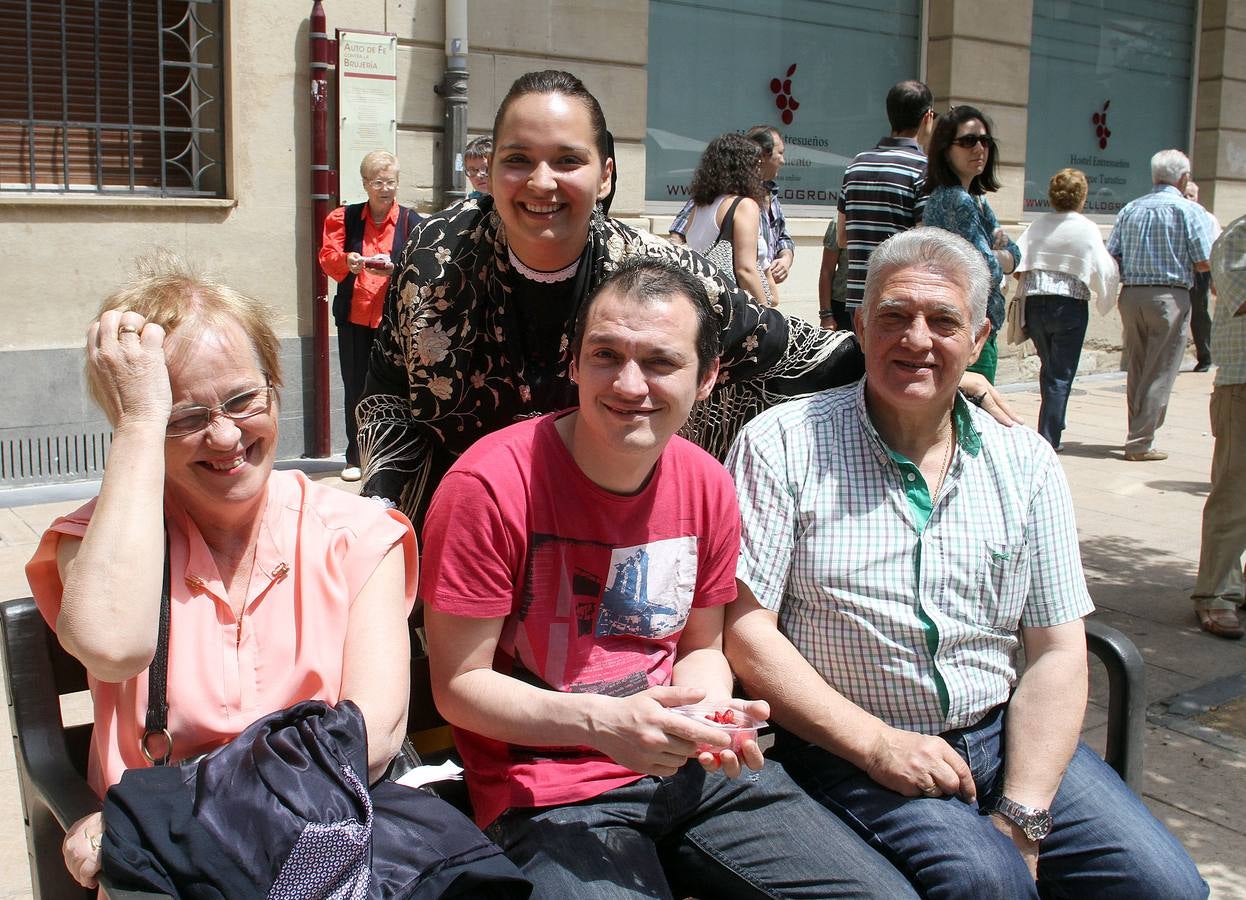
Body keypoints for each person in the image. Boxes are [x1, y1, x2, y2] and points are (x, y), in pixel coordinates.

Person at [724, 228, 1208, 900]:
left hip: (1000, 733)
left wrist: (1024, 812)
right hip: (849, 746)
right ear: (861, 327)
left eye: (942, 320)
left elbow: (1057, 652)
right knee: (988, 882)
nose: (916, 339)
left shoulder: (1024, 461)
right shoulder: (783, 446)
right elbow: (747, 631)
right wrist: (876, 745)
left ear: (979, 339)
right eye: (893, 317)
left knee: (1164, 886)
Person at [419, 256, 920, 899]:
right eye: (606, 355)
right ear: (572, 362)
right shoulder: (489, 486)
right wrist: (603, 725)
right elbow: (459, 686)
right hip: (551, 791)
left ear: (707, 376)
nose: (630, 384)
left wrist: (710, 716)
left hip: (691, 772)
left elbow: (700, 648)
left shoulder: (707, 483)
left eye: (660, 362)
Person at [357, 69, 1014, 531]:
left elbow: (791, 350)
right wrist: (388, 520)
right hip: (470, 543)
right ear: (490, 168)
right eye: (518, 160)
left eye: (567, 160)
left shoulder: (660, 273)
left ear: (605, 171)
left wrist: (911, 361)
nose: (541, 183)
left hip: (608, 541)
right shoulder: (434, 258)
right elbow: (386, 389)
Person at [24, 257, 419, 889]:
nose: (226, 435)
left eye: (243, 399)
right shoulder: (103, 540)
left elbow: (373, 735)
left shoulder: (358, 533)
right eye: (183, 417)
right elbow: (113, 646)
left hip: (326, 842)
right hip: (173, 869)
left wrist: (175, 802)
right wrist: (136, 426)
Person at [318, 149, 420, 481]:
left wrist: (397, 268)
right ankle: (356, 457)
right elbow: (327, 256)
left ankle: (391, 455)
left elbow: (421, 266)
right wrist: (346, 261)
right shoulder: (343, 218)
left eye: (391, 182)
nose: (386, 189)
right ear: (365, 184)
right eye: (378, 182)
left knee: (396, 387)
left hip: (394, 320)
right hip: (354, 319)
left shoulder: (410, 221)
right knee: (356, 388)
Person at [1107, 150, 1215, 461]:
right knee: (1160, 369)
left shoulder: (1131, 208)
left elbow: (1112, 254)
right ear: (1183, 178)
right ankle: (1140, 442)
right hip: (1170, 296)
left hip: (1132, 295)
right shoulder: (1187, 210)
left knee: (1138, 366)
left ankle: (1136, 432)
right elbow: (1204, 259)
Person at [1012, 168, 1120, 449]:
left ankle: (1053, 421)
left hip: (1036, 304)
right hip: (1069, 306)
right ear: (1081, 196)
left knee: (1049, 368)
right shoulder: (1086, 228)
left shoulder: (1037, 225)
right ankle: (1049, 437)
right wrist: (1105, 296)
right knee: (1060, 373)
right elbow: (1103, 268)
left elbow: (1016, 263)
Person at [921, 105, 1019, 383]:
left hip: (974, 328)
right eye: (967, 141)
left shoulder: (975, 198)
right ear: (945, 149)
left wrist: (1000, 254)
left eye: (984, 141)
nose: (979, 149)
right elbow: (988, 268)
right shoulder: (956, 200)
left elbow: (1017, 253)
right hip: (968, 330)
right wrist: (1001, 256)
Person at [837, 80, 935, 330]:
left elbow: (842, 238)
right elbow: (926, 244)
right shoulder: (922, 168)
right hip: (899, 300)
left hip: (858, 297)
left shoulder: (856, 165)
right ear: (928, 117)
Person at [1191, 213, 1246, 639]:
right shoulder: (1239, 235)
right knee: (1235, 491)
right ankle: (1217, 593)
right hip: (1242, 383)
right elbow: (1239, 296)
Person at [670, 124, 795, 287]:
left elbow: (783, 237)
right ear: (763, 155)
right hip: (733, 294)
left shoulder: (771, 194)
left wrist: (785, 258)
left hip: (757, 289)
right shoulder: (717, 197)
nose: (783, 161)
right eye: (780, 153)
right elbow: (677, 237)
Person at [680, 131, 777, 305]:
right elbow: (745, 270)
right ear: (743, 167)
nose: (759, 170)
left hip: (699, 304)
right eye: (756, 164)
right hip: (731, 308)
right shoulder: (743, 206)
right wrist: (768, 317)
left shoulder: (698, 207)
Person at [1183, 179, 1221, 372]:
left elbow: (1215, 249)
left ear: (1198, 197)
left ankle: (1206, 357)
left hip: (1200, 272)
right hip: (1179, 271)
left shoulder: (1208, 218)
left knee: (1199, 314)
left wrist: (1215, 278)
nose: (1188, 198)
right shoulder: (1178, 214)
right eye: (1185, 195)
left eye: (1191, 195)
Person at [818, 211, 850, 329]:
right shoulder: (839, 222)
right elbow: (827, 270)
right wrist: (826, 315)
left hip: (875, 303)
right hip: (842, 304)